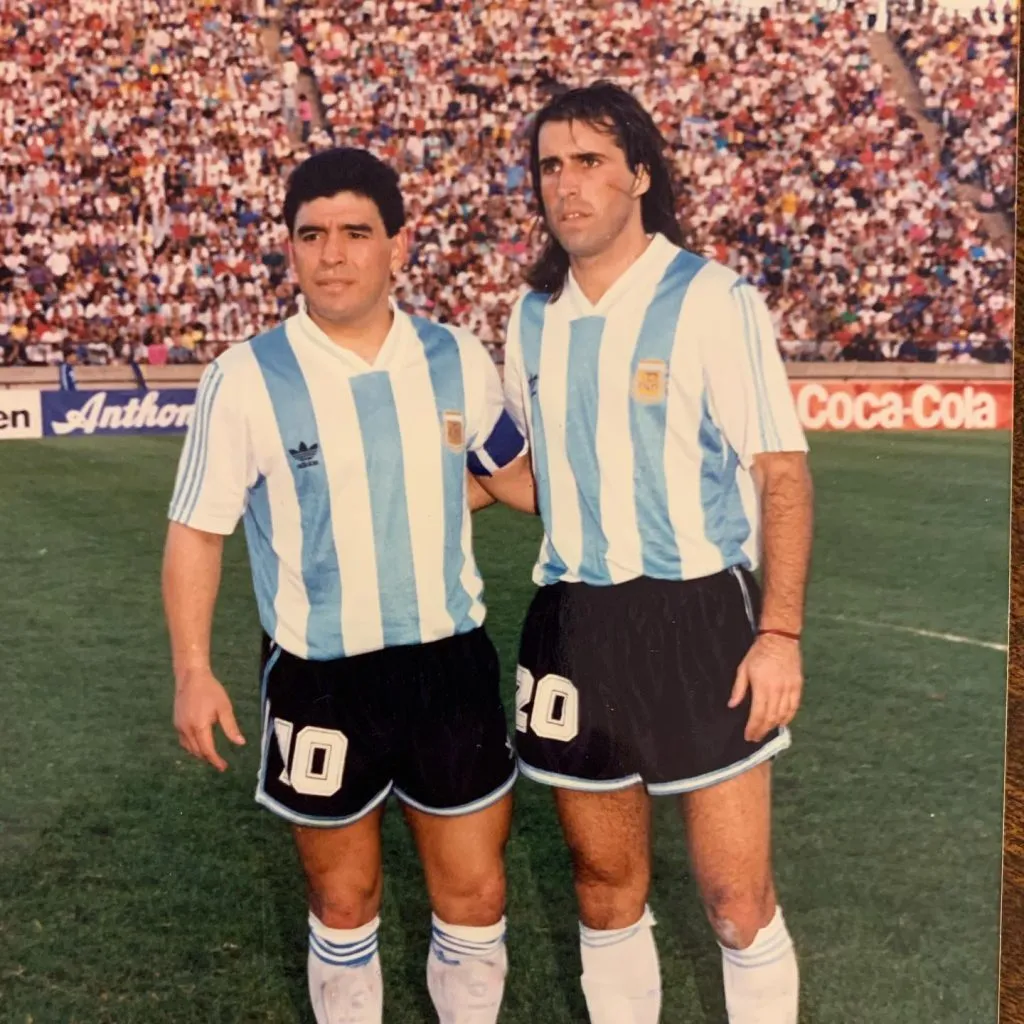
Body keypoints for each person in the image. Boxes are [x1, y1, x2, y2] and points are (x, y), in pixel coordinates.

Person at [161, 146, 535, 1024]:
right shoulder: (245, 376)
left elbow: (517, 479)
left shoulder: (455, 358)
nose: (332, 253)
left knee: (476, 895)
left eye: (356, 233)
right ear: (290, 247)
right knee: (342, 902)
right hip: (319, 676)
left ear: (397, 245)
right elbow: (196, 531)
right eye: (312, 234)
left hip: (448, 666)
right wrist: (192, 669)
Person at [500, 82, 814, 1023]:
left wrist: (780, 634)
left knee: (734, 900)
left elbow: (781, 472)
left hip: (697, 616)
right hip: (574, 622)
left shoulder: (713, 298)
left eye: (590, 162)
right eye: (550, 166)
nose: (567, 184)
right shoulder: (530, 317)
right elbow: (543, 475)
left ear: (640, 174)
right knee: (604, 889)